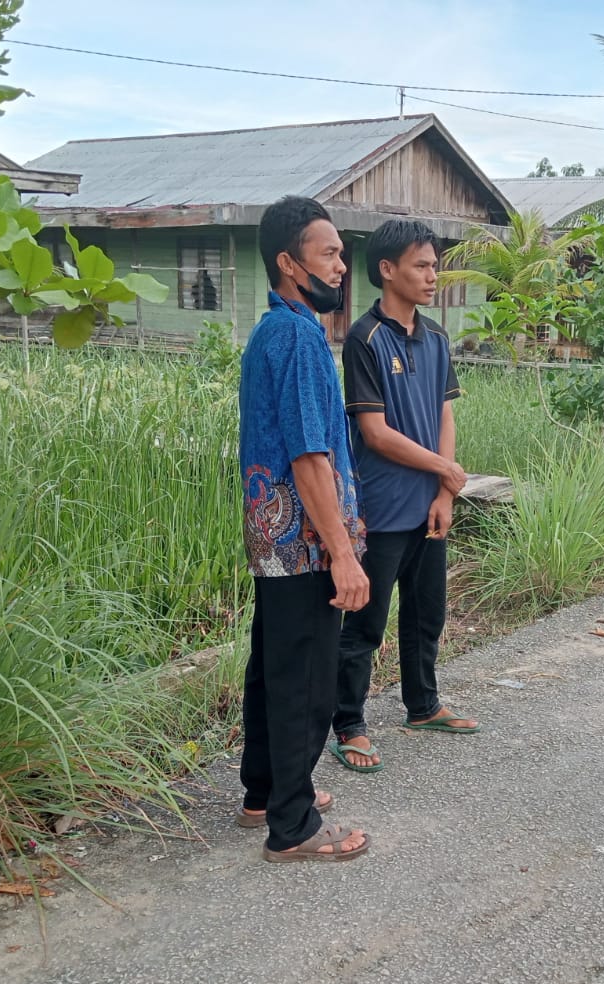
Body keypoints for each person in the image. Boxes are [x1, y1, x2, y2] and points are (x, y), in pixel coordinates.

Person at [236, 194, 371, 863]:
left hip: (275, 540)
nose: (342, 267)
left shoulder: (278, 329)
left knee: (273, 669)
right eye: (328, 253)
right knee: (307, 682)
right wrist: (343, 555)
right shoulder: (296, 336)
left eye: (343, 255)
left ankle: (265, 791)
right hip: (305, 543)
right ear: (289, 263)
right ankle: (291, 826)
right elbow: (309, 456)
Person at [331, 219, 477, 773]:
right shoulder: (365, 340)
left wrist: (445, 490)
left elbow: (444, 411)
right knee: (366, 622)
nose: (433, 275)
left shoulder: (437, 337)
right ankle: (349, 723)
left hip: (428, 504)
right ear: (387, 270)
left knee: (426, 612)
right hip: (382, 507)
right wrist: (448, 468)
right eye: (422, 265)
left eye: (435, 265)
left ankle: (423, 705)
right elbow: (375, 433)